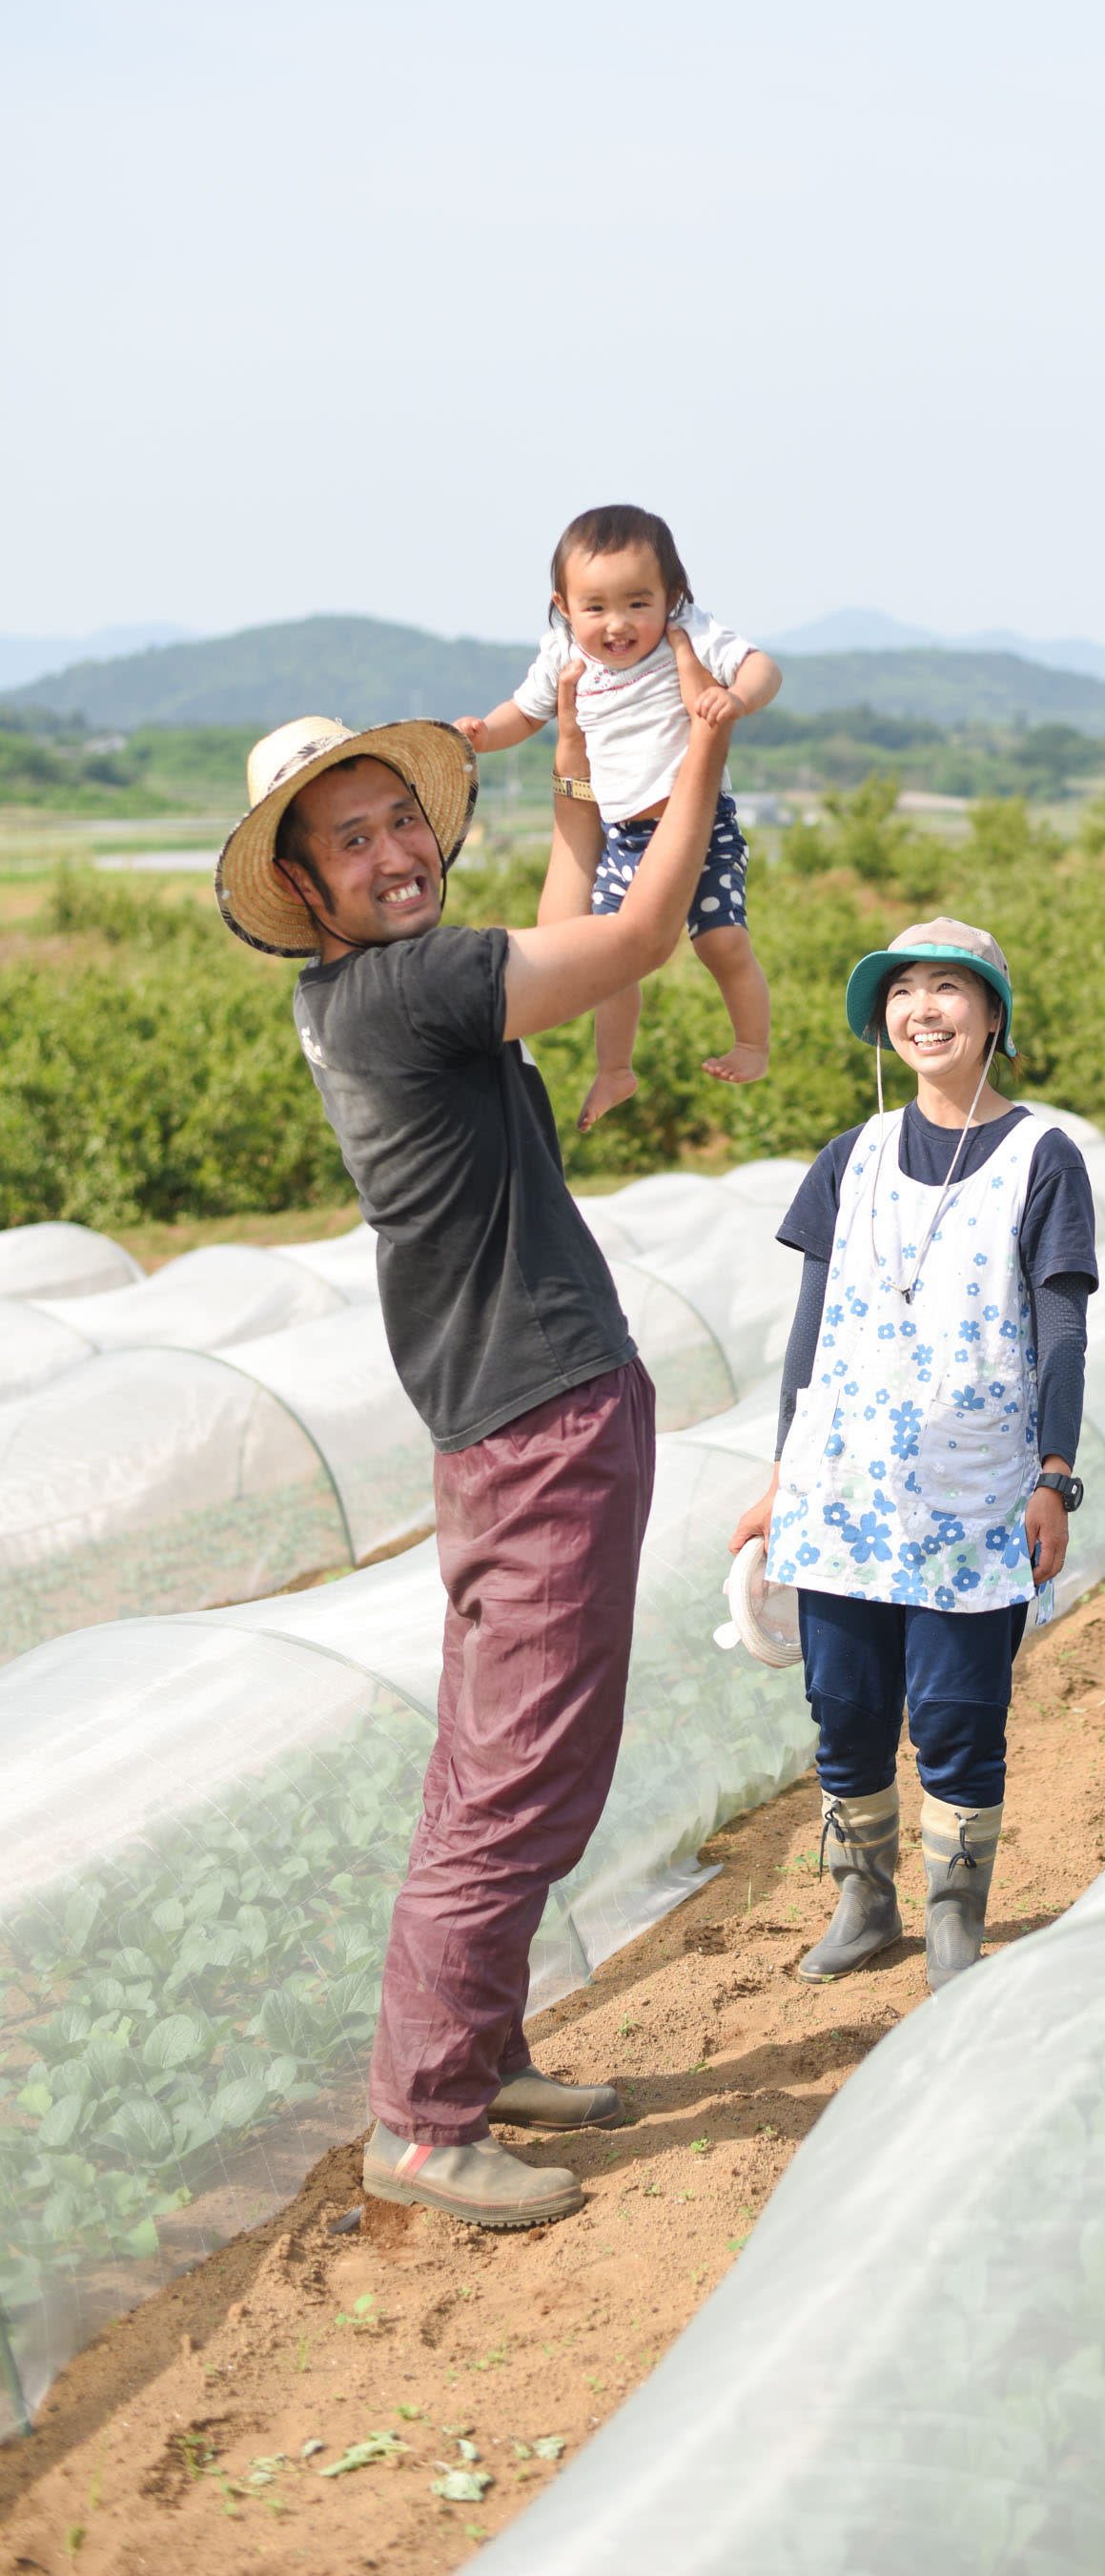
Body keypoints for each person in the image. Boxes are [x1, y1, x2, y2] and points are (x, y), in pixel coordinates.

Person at [215, 634, 728, 2230]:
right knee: (521, 1780)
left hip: (506, 1414)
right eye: (349, 839)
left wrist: (576, 772)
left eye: (401, 822)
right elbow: (637, 936)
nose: (390, 853)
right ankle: (426, 2122)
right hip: (538, 1416)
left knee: (487, 1762)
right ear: (303, 885)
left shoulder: (380, 997)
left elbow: (565, 925)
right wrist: (700, 742)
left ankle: (480, 2054)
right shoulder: (415, 990)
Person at [729, 921, 1095, 1993]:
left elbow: (1061, 1327)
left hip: (973, 1489)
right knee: (842, 1703)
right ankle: (864, 1897)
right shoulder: (853, 1156)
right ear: (881, 1020)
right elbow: (809, 1330)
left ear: (991, 1019)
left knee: (953, 1712)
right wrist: (781, 1474)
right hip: (841, 1490)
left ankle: (951, 1912)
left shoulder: (1043, 1156)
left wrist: (1053, 1475)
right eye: (902, 993)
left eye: (948, 990)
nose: (922, 1009)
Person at [456, 501, 780, 1130]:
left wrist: (734, 697)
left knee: (722, 941)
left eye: (638, 602)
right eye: (595, 607)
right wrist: (481, 734)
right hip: (624, 837)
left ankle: (753, 1045)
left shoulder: (690, 634)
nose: (618, 623)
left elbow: (764, 668)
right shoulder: (562, 658)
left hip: (700, 827)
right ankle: (615, 1068)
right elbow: (522, 714)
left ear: (673, 597)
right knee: (607, 959)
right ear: (564, 606)